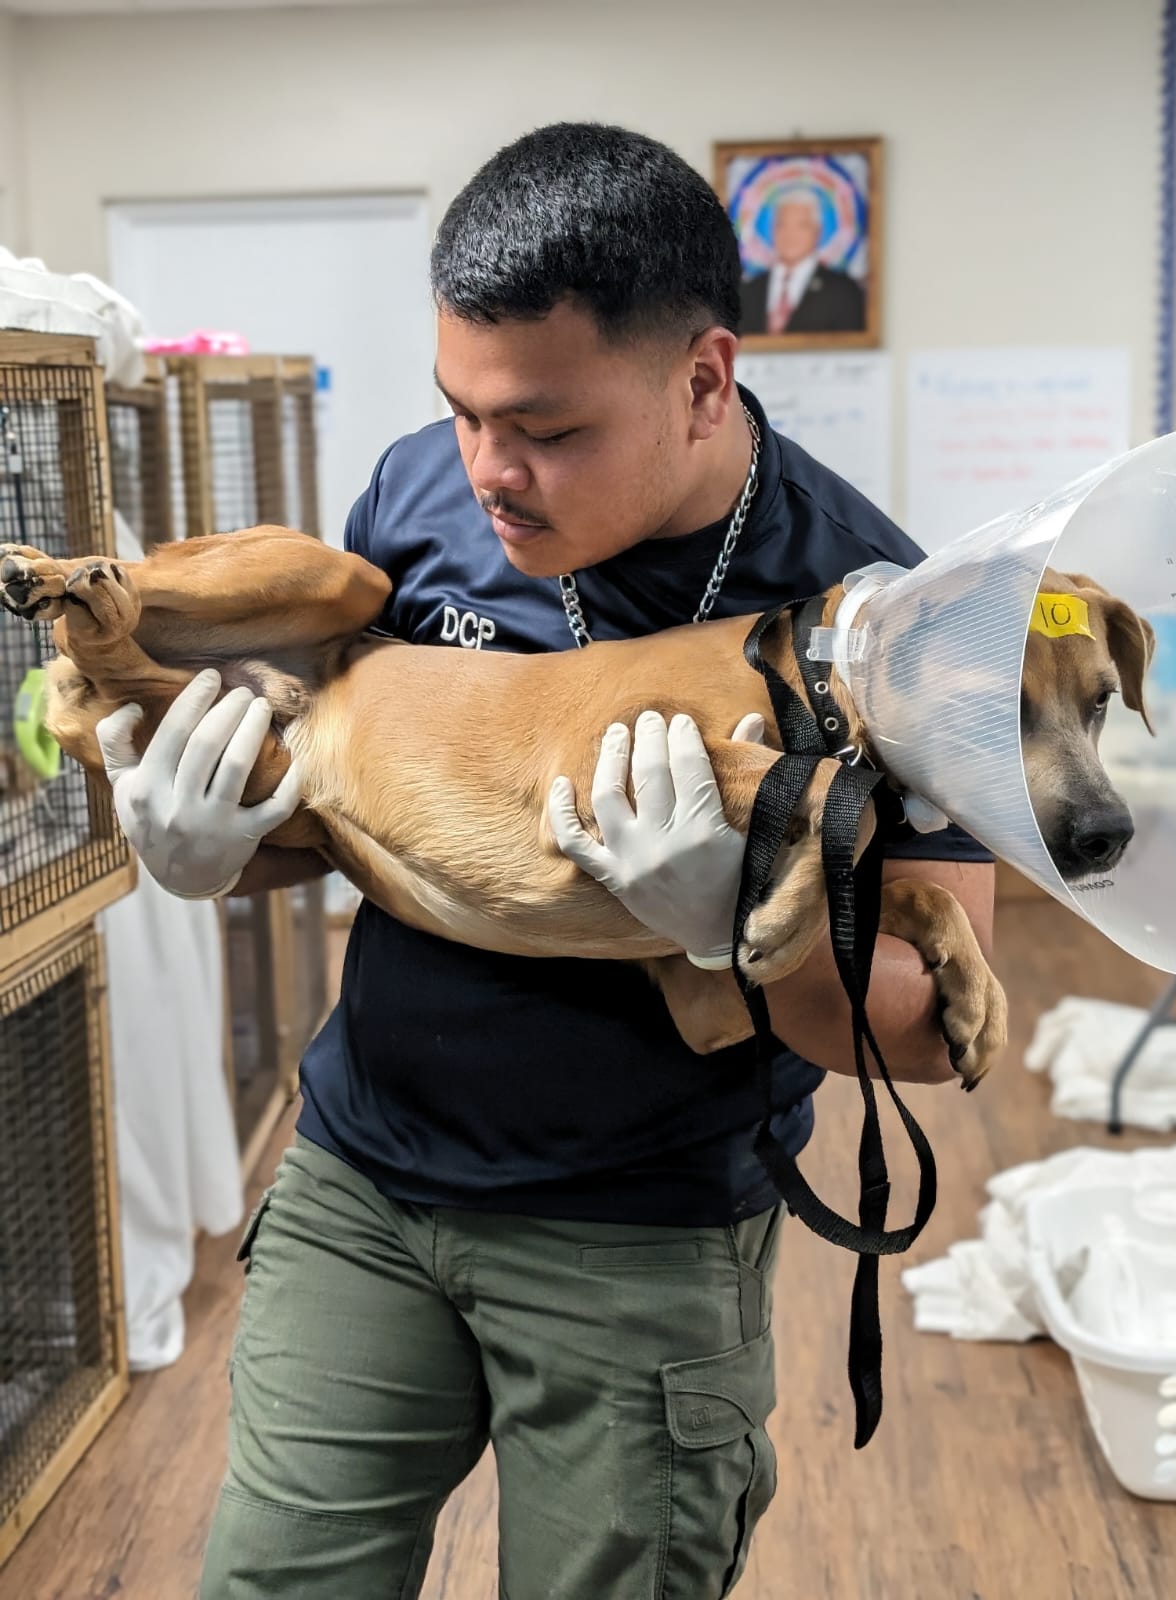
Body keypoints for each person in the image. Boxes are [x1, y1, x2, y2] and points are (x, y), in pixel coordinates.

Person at [97, 123, 993, 1600]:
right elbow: (347, 815)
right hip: (361, 1182)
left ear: (705, 379)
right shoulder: (415, 500)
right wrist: (209, 858)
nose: (488, 473)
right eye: (462, 410)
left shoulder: (872, 616)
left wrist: (734, 926)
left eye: (548, 431)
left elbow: (932, 1030)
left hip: (635, 1238)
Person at [738, 188, 866, 336]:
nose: (790, 234)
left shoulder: (844, 292)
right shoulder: (747, 292)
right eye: (782, 224)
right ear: (772, 230)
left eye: (802, 226)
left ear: (817, 232)